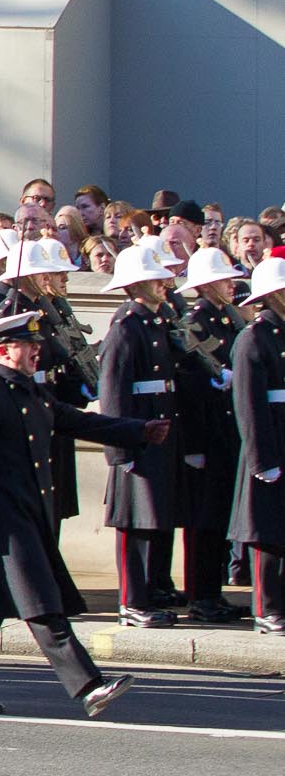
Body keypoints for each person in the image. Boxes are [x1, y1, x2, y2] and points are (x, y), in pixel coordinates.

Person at [0, 310, 168, 717]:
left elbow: (77, 422)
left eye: (37, 344)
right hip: (6, 526)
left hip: (28, 517)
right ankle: (88, 686)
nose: (38, 351)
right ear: (3, 351)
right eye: (28, 345)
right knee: (42, 606)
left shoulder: (30, 394)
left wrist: (137, 430)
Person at [99, 243, 193, 626]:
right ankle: (131, 602)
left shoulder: (156, 321)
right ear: (137, 284)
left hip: (160, 433)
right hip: (138, 435)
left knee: (154, 519)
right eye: (156, 278)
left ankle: (149, 594)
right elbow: (115, 392)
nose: (165, 283)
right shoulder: (125, 327)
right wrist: (122, 448)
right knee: (134, 523)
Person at [174, 246, 250, 624]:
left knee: (219, 517)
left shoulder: (227, 319)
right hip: (206, 435)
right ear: (206, 285)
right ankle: (200, 595)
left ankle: (213, 592)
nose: (231, 284)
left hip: (226, 433)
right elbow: (190, 389)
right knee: (202, 521)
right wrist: (194, 446)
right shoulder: (195, 324)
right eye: (224, 279)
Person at [229, 257, 285, 636]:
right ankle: (267, 607)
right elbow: (248, 404)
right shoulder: (253, 336)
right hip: (270, 440)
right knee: (267, 531)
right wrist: (261, 459)